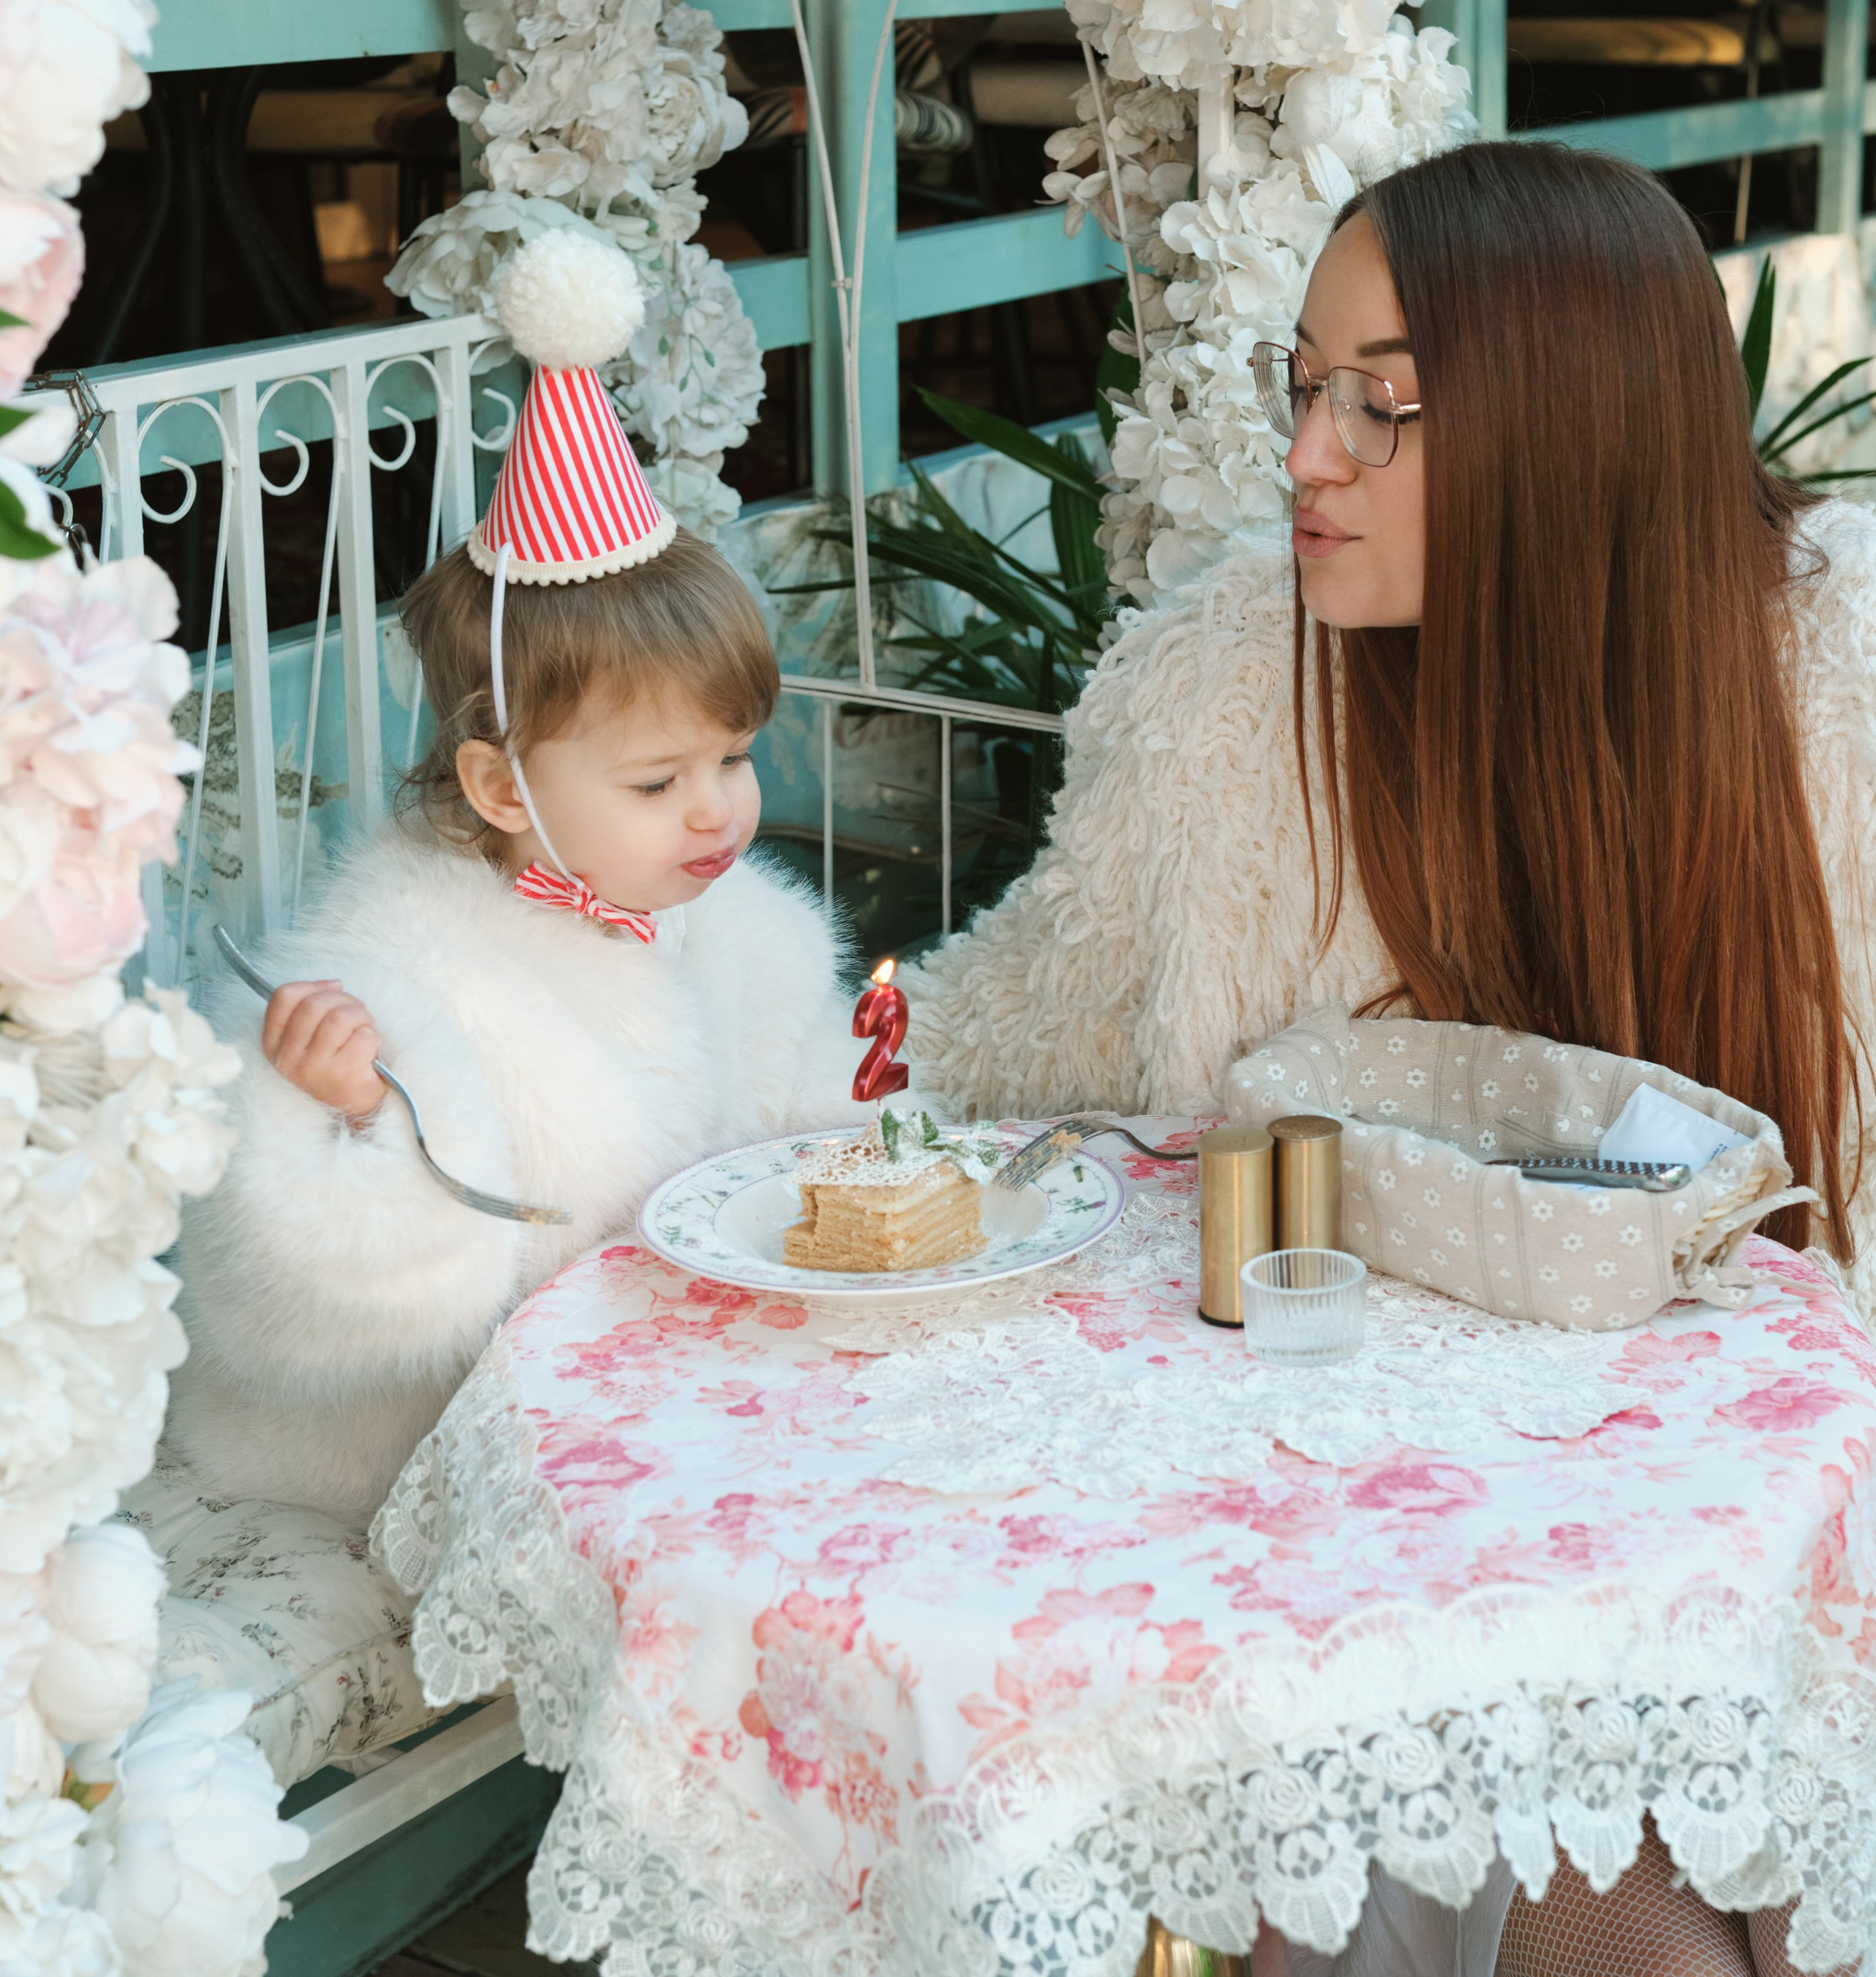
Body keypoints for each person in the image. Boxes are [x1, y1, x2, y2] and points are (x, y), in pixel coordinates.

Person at [903, 138, 1876, 1977]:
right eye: (1300, 388)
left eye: (1388, 406)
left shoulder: (1838, 686)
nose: (1305, 457)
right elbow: (1005, 1038)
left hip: (1740, 1572)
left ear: (1574, 429)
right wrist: (619, 986)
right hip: (1352, 1576)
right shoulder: (1228, 704)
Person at [168, 232, 857, 1525]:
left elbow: (790, 1110)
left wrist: (867, 1131)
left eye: (735, 756)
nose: (718, 808)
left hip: (646, 1385)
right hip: (422, 1441)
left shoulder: (716, 919)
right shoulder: (399, 969)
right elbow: (299, 1309)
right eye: (659, 783)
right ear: (499, 789)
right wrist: (351, 1113)